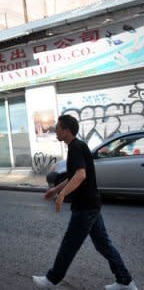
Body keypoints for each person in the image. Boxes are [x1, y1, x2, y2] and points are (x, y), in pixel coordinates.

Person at [32, 115, 137, 290]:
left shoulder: (76, 147)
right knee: (103, 245)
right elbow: (74, 176)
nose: (55, 131)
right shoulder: (75, 146)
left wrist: (62, 195)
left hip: (86, 206)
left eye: (57, 128)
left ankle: (51, 280)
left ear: (66, 130)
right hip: (91, 205)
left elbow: (81, 175)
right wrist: (55, 190)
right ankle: (125, 282)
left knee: (70, 243)